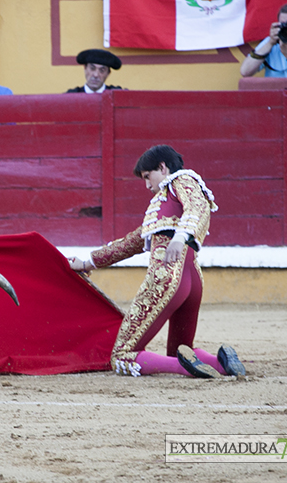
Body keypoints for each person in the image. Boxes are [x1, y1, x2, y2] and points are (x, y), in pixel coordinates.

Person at [68, 145, 245, 378]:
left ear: (162, 167)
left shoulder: (181, 180)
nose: (147, 185)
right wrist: (87, 263)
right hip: (191, 281)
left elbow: (198, 207)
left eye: (147, 177)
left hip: (167, 278)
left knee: (122, 355)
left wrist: (181, 237)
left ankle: (184, 369)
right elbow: (132, 242)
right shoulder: (165, 203)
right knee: (180, 351)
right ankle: (221, 363)